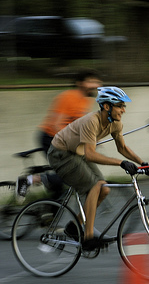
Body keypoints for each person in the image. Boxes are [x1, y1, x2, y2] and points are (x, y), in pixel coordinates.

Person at [47, 86, 149, 251]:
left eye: (125, 106)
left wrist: (143, 163)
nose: (123, 110)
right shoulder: (92, 121)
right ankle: (87, 238)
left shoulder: (116, 124)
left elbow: (122, 148)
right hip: (61, 154)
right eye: (120, 106)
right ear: (106, 106)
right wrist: (121, 163)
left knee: (104, 190)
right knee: (94, 186)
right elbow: (90, 155)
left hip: (77, 153)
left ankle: (74, 227)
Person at [16, 69, 102, 200]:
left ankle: (49, 215)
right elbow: (56, 124)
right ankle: (30, 180)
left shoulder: (85, 100)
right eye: (91, 81)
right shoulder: (68, 97)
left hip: (64, 139)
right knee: (72, 173)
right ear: (80, 83)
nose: (96, 84)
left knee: (63, 185)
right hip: (51, 137)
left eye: (96, 81)